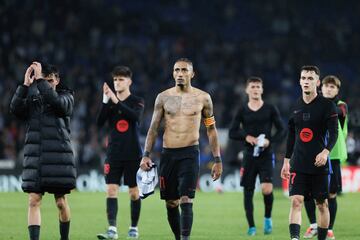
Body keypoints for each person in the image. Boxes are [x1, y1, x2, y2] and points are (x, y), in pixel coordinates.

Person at [140, 58, 223, 240]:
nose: (180, 73)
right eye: (177, 70)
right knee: (171, 203)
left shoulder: (203, 98)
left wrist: (217, 160)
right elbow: (153, 128)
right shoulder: (163, 97)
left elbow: (211, 129)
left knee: (186, 200)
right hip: (168, 154)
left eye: (184, 70)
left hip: (190, 154)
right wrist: (146, 155)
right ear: (173, 73)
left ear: (192, 74)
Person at [10, 62, 76, 240]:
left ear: (57, 80)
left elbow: (59, 105)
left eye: (49, 80)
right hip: (36, 158)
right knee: (33, 200)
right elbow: (15, 109)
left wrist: (39, 80)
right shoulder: (33, 98)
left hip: (58, 158)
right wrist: (24, 86)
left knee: (61, 203)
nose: (46, 84)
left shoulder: (66, 96)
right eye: (43, 80)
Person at [281, 66, 338, 240]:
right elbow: (291, 135)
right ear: (299, 81)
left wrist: (326, 152)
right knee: (296, 200)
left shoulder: (328, 105)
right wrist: (286, 160)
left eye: (310, 78)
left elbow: (334, 133)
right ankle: (294, 238)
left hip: (319, 163)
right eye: (303, 78)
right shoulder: (296, 105)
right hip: (298, 162)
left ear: (317, 82)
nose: (306, 81)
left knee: (322, 204)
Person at [229, 76, 285, 236]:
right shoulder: (242, 109)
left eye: (258, 87)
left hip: (265, 155)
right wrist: (246, 137)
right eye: (252, 87)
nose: (255, 89)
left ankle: (268, 218)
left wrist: (270, 141)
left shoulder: (270, 108)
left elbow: (282, 129)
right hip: (248, 155)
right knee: (248, 190)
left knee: (267, 189)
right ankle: (251, 226)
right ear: (247, 90)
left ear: (262, 90)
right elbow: (233, 132)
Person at [96, 66, 145, 239]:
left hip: (133, 154)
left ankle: (133, 228)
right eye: (115, 79)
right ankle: (112, 230)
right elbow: (99, 123)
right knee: (111, 190)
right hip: (114, 154)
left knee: (133, 192)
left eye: (121, 79)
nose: (117, 82)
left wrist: (116, 102)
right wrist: (104, 101)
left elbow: (135, 117)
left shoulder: (137, 101)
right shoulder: (110, 104)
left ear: (129, 82)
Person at [303, 75, 348, 240]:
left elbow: (339, 114)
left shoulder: (341, 106)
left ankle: (329, 229)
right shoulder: (314, 104)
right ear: (321, 87)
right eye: (326, 86)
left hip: (333, 154)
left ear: (337, 91)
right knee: (307, 192)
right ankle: (314, 225)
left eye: (332, 87)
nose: (329, 89)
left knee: (331, 194)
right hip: (313, 152)